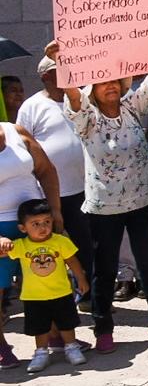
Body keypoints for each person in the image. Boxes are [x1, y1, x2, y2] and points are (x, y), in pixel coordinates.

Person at [63, 52, 148, 354]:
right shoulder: (88, 119)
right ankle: (103, 328)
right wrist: (64, 63)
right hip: (104, 207)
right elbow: (73, 99)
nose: (110, 86)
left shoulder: (131, 106)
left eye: (114, 80)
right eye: (102, 82)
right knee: (105, 268)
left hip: (141, 199)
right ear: (92, 89)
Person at [17, 55, 91, 307]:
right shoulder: (32, 106)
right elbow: (23, 145)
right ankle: (56, 296)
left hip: (84, 189)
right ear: (46, 76)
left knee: (86, 245)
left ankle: (88, 294)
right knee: (50, 246)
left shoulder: (80, 98)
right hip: (47, 193)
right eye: (62, 70)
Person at [0, 119, 63, 370]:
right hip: (1, 230)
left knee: (44, 280)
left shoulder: (15, 132)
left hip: (36, 223)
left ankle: (56, 335)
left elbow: (46, 170)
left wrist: (55, 211)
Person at [0, 200, 88, 373]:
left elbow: (72, 260)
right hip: (33, 297)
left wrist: (81, 279)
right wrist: (2, 241)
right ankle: (41, 352)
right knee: (39, 327)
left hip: (61, 292)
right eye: (36, 224)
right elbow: (3, 253)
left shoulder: (60, 241)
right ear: (23, 228)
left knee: (66, 323)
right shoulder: (21, 245)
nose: (43, 227)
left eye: (47, 222)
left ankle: (71, 347)